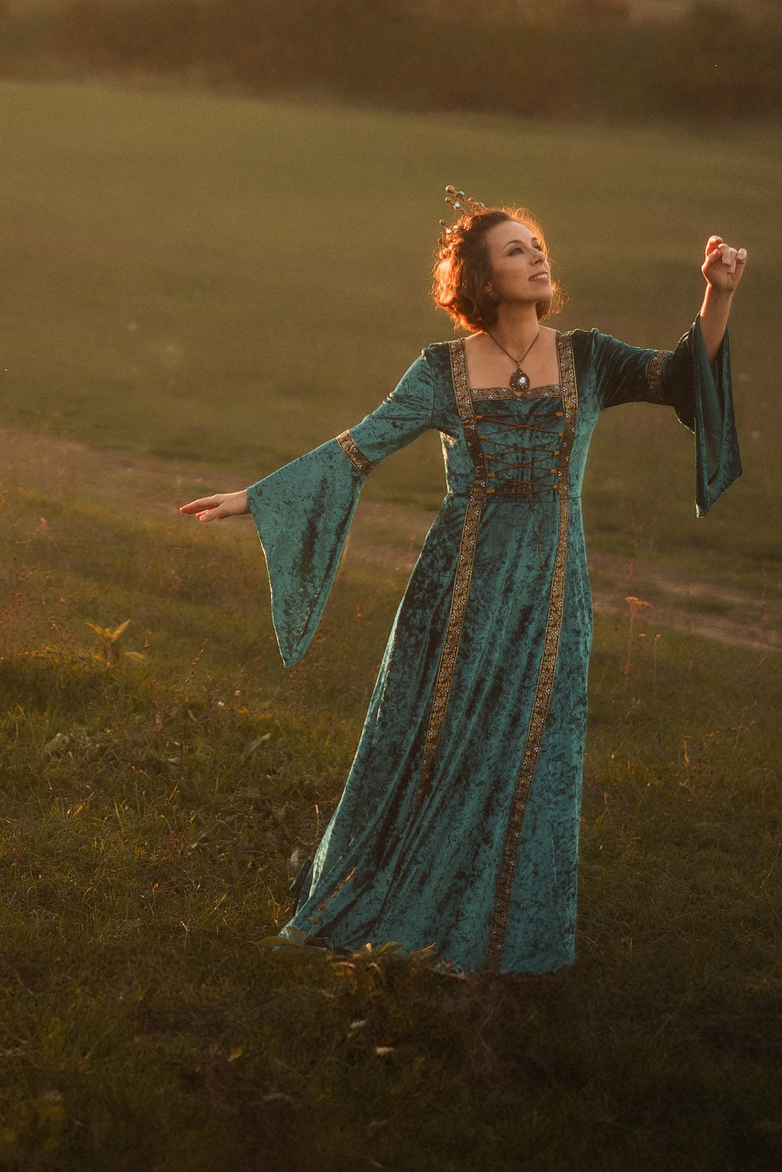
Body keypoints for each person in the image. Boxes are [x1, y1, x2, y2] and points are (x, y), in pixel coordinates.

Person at [177, 191, 747, 974]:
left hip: (549, 587)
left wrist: (718, 291)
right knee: (433, 743)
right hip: (458, 583)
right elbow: (359, 447)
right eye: (516, 250)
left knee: (526, 750)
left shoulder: (590, 356)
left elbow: (684, 378)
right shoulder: (440, 370)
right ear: (480, 277)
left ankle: (499, 920)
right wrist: (258, 498)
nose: (537, 256)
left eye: (538, 244)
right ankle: (399, 898)